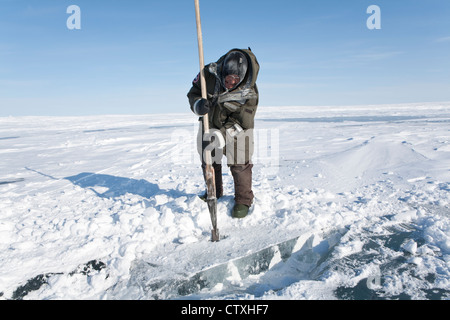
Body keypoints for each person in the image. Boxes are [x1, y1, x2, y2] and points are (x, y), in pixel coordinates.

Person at [187, 48, 260, 218]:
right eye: (228, 78)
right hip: (209, 121)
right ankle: (214, 191)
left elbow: (243, 122)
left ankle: (243, 199)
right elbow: (194, 92)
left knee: (240, 161)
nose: (230, 83)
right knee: (208, 158)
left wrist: (222, 135)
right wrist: (198, 104)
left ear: (242, 78)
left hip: (236, 127)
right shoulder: (209, 73)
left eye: (235, 80)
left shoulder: (250, 92)